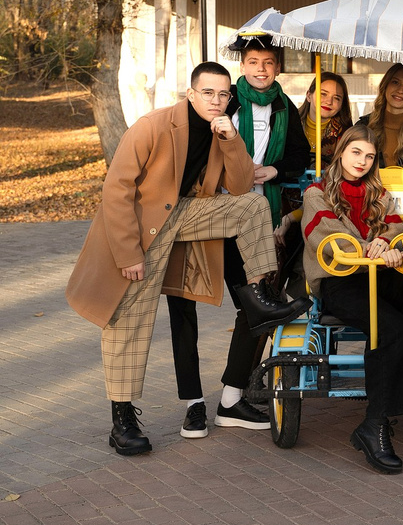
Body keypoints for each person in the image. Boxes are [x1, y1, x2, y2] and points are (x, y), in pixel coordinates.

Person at [65, 60, 271, 458]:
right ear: (191, 93)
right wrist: (128, 253)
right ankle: (122, 420)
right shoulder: (153, 126)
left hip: (186, 215)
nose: (216, 100)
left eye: (224, 94)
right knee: (128, 321)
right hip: (144, 230)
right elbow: (117, 190)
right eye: (208, 92)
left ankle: (261, 294)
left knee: (251, 208)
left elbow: (242, 184)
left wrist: (231, 140)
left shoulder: (222, 130)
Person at [166, 33, 311, 441]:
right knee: (184, 307)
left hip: (256, 216)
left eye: (268, 62)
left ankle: (231, 397)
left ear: (278, 67)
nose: (261, 69)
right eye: (253, 62)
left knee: (257, 305)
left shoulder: (285, 108)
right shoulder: (224, 103)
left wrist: (274, 171)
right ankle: (192, 405)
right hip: (204, 213)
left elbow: (300, 155)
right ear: (242, 66)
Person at [295, 123, 403, 473]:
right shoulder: (316, 193)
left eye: (369, 156)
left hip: (377, 277)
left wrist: (386, 243)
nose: (362, 161)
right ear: (341, 151)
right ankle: (375, 424)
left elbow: (395, 227)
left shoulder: (378, 193)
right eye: (356, 153)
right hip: (341, 281)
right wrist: (372, 246)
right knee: (391, 328)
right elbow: (329, 238)